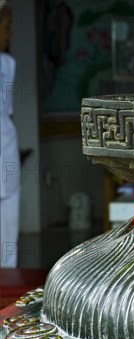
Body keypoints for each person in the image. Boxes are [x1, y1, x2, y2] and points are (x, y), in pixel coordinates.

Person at [0, 0, 19, 268]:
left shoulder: (8, 65)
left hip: (6, 143)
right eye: (6, 26)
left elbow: (8, 111)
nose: (10, 33)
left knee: (9, 219)